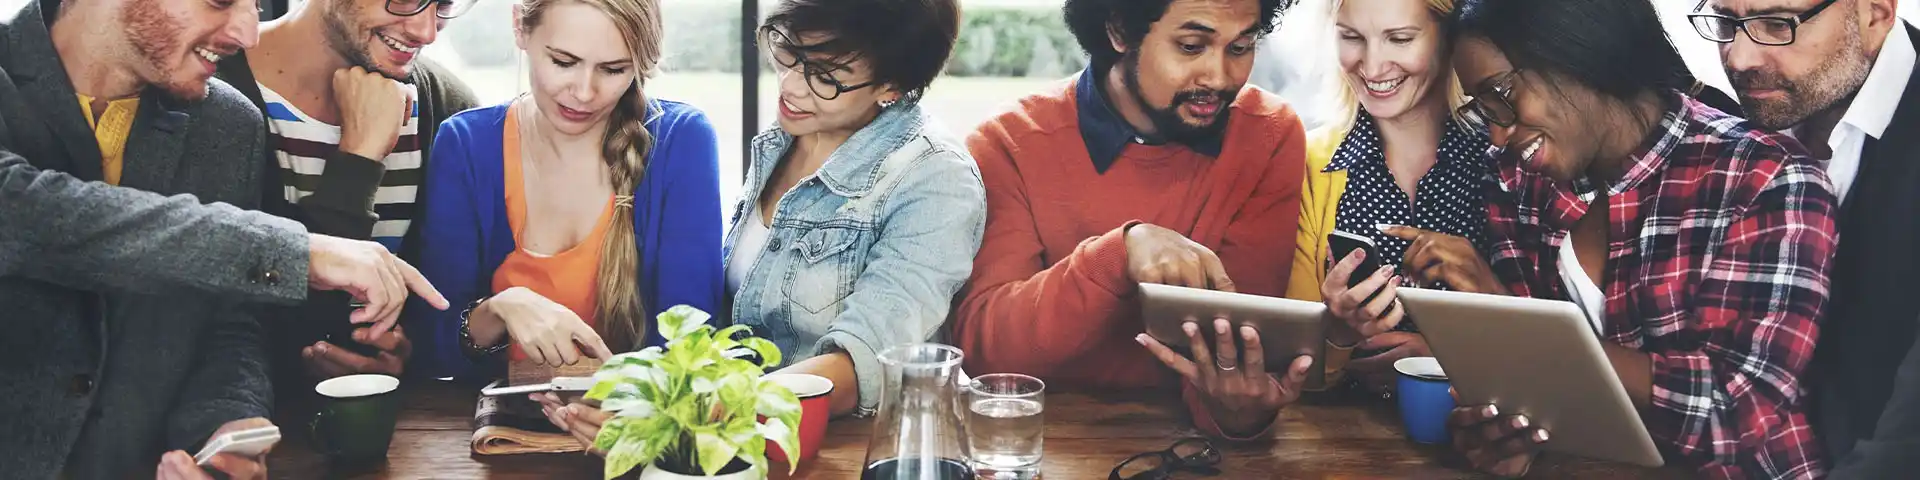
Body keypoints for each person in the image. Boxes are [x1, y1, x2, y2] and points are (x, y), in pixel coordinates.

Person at [0, 0, 449, 477]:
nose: (248, 34)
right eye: (220, 1)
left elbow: (227, 326)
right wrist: (299, 252)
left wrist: (226, 429)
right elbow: (22, 209)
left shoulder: (227, 122)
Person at [1423, 0, 1836, 477]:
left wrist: (1515, 322)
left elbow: (1734, 414)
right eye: (1483, 110)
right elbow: (1534, 395)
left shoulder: (1766, 177)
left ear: (1577, 52)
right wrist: (1511, 437)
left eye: (1501, 95)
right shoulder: (1515, 180)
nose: (1497, 135)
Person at [954, 0, 1313, 440]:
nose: (1220, 77)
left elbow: (1236, 357)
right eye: (1191, 46)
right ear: (1119, 31)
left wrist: (1237, 411)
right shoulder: (1008, 142)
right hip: (1030, 441)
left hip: (1188, 449)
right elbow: (988, 356)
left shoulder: (1269, 134)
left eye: (1240, 47)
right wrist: (1117, 255)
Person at [405, 0, 723, 384]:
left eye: (613, 69)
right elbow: (434, 346)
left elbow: (689, 343)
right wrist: (500, 309)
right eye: (563, 62)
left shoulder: (680, 141)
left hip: (634, 418)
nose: (585, 93)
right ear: (520, 28)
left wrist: (619, 404)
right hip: (493, 417)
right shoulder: (465, 144)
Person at [717, 0, 983, 420]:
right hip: (748, 432)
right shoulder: (785, 139)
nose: (791, 86)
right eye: (790, 52)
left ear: (891, 86)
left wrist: (714, 408)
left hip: (858, 440)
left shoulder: (935, 176)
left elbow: (870, 357)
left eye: (826, 76)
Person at [1693, 1, 1920, 476]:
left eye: (1778, 24)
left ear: (1875, 14)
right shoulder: (1734, 127)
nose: (1739, 58)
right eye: (1726, 22)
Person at [213, 0, 481, 397]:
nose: (426, 32)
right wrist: (358, 159)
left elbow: (451, 310)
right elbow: (209, 318)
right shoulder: (205, 95)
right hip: (245, 419)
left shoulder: (449, 111)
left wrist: (409, 351)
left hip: (393, 424)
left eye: (443, 4)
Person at [1279, 0, 1490, 395]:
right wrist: (1338, 335)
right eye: (1352, 37)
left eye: (1400, 39)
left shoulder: (1504, 160)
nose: (1372, 67)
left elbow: (1549, 347)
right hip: (1343, 428)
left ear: (1449, 38)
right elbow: (1289, 367)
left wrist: (1451, 360)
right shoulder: (1308, 164)